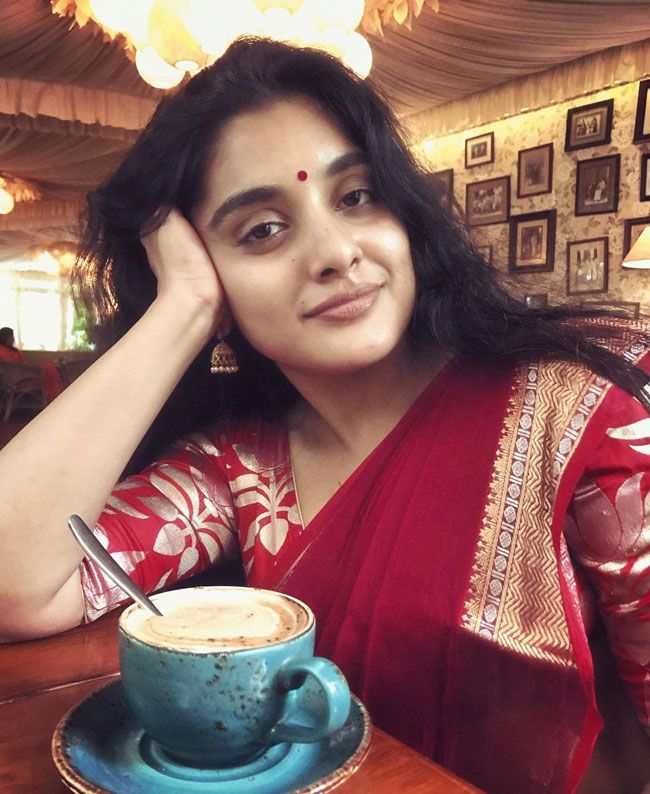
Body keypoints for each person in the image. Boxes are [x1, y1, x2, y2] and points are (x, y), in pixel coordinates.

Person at [0, 38, 648, 793]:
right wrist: (183, 309)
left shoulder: (581, 408)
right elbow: (16, 584)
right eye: (262, 230)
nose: (336, 252)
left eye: (357, 196)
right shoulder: (240, 468)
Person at [0, 326, 65, 403]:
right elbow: (13, 367)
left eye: (13, 337)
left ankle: (56, 396)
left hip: (24, 375)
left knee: (48, 367)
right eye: (11, 337)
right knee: (48, 367)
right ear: (5, 338)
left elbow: (24, 364)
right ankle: (55, 397)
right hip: (19, 380)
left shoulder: (14, 351)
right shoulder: (2, 351)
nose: (13, 339)